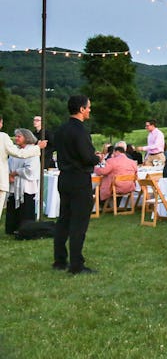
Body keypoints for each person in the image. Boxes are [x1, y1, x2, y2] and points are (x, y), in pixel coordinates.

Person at [53, 95, 100, 275]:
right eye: (88, 107)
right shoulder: (80, 131)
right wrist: (97, 158)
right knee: (79, 223)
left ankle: (59, 260)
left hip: (64, 177)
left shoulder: (61, 129)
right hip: (79, 179)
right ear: (81, 109)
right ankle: (76, 265)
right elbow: (87, 156)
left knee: (63, 219)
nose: (89, 110)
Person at [5, 129, 41, 234]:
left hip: (26, 184)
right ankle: (12, 228)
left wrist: (15, 173)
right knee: (12, 205)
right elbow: (8, 163)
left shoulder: (32, 151)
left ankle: (25, 228)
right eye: (16, 136)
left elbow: (30, 169)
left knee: (26, 206)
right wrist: (9, 174)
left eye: (19, 136)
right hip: (14, 183)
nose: (16, 138)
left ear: (26, 138)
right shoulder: (15, 151)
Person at [93, 141, 138, 205]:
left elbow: (102, 172)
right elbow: (136, 175)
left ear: (116, 152)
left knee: (95, 189)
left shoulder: (112, 161)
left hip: (116, 187)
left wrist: (95, 168)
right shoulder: (132, 162)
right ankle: (116, 205)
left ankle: (102, 206)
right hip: (130, 187)